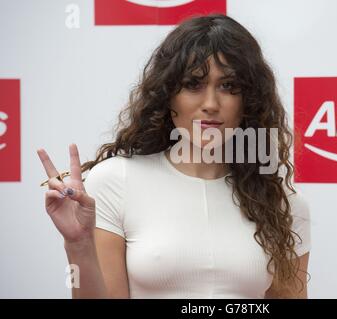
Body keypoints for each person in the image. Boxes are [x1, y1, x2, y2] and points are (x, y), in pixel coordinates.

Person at [37, 13, 311, 299]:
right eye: (193, 84)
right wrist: (79, 245)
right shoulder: (114, 181)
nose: (210, 104)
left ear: (249, 100)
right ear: (168, 95)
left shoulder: (284, 203)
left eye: (229, 86)